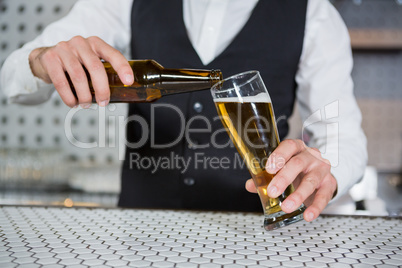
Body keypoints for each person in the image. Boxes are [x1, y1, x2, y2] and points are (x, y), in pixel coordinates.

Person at [0, 0, 367, 222]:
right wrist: (40, 60)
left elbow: (343, 137)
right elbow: (12, 80)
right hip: (138, 240)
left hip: (254, 243)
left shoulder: (313, 12)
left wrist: (325, 170)